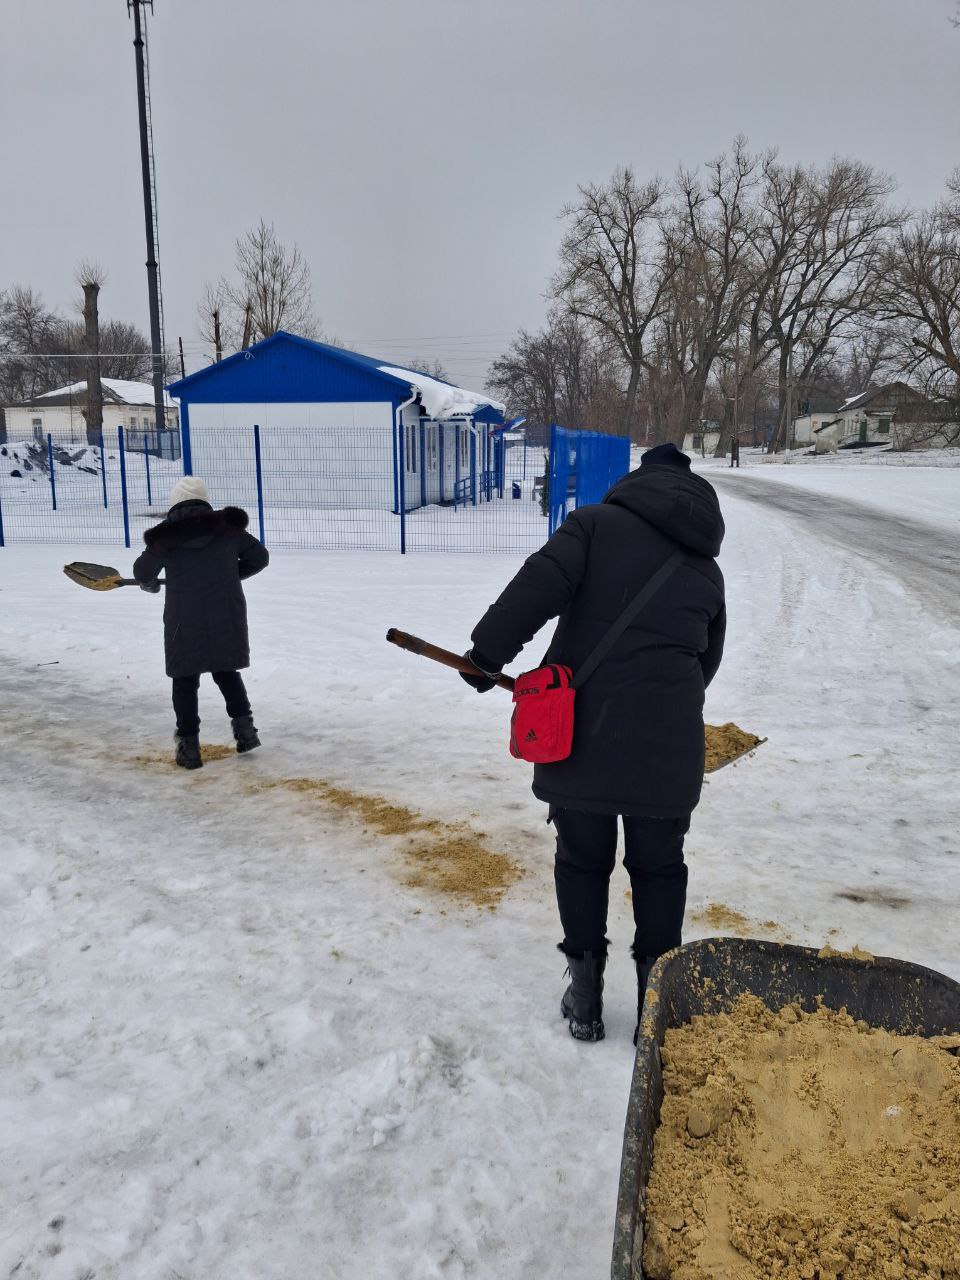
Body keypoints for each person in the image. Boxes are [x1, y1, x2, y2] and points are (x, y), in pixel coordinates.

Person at [461, 443, 725, 1043]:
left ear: (635, 484)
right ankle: (656, 1013)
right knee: (660, 869)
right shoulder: (706, 570)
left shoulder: (593, 527)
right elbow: (705, 662)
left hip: (581, 736)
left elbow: (538, 586)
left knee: (582, 861)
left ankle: (585, 1001)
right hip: (668, 749)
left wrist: (485, 657)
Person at [133, 476, 270, 770]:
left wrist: (149, 583)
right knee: (226, 670)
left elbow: (143, 570)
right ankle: (246, 733)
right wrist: (231, 575)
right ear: (205, 501)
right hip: (226, 612)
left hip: (184, 618)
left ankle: (189, 750)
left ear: (174, 504)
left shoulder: (165, 538)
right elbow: (259, 557)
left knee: (184, 680)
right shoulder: (228, 529)